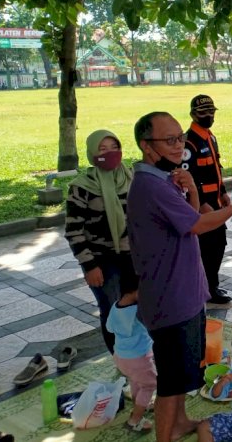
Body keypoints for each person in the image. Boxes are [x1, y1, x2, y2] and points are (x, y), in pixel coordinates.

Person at [127, 112, 232, 442]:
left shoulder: (163, 180)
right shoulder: (152, 186)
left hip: (184, 290)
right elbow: (199, 225)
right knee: (171, 378)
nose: (178, 146)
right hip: (171, 297)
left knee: (183, 372)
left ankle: (180, 421)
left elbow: (190, 221)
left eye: (180, 138)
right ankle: (166, 435)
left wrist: (193, 191)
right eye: (169, 141)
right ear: (146, 146)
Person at [64, 129, 133, 355]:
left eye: (115, 147)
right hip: (102, 261)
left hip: (133, 256)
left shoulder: (130, 177)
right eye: (103, 149)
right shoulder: (82, 187)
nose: (110, 153)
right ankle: (119, 357)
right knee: (112, 309)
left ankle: (136, 353)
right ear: (92, 153)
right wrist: (89, 266)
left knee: (135, 305)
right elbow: (74, 231)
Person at [184, 94, 232, 304]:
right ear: (193, 115)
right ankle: (206, 288)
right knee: (207, 248)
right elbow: (189, 177)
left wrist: (222, 192)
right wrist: (202, 203)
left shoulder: (209, 137)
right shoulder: (190, 143)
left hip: (216, 202)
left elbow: (216, 169)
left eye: (211, 112)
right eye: (204, 113)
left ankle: (211, 285)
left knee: (218, 244)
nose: (209, 116)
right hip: (202, 207)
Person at [106, 271, 156, 433]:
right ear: (137, 290)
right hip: (139, 358)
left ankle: (139, 406)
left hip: (120, 357)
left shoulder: (115, 307)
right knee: (149, 385)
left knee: (136, 381)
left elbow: (109, 328)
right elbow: (152, 326)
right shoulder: (138, 311)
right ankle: (134, 420)